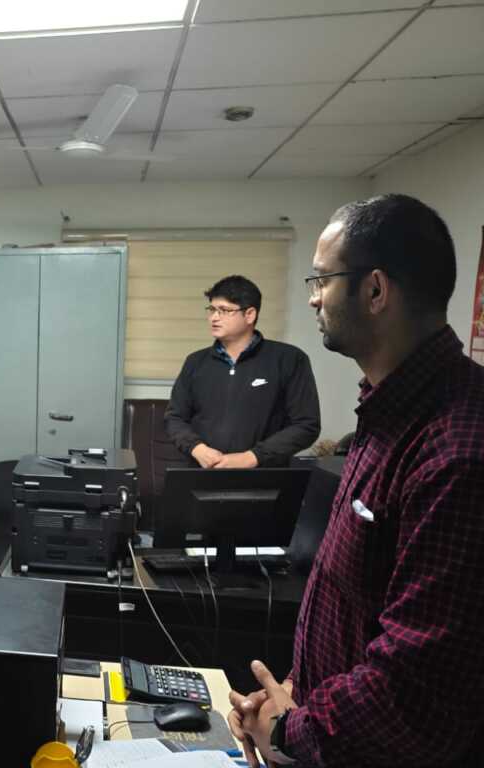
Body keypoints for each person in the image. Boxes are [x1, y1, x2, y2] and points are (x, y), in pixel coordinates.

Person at [228, 194, 484, 768]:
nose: (313, 297)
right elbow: (353, 602)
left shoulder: (458, 452)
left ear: (374, 290)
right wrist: (287, 698)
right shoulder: (386, 412)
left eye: (322, 279)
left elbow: (413, 690)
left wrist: (288, 730)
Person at [165, 275, 321, 468]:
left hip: (264, 478)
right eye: (212, 309)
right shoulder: (195, 362)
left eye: (224, 310)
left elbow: (306, 425)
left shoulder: (289, 359)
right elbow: (175, 418)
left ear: (249, 315)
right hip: (203, 474)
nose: (214, 317)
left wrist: (252, 457)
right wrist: (197, 449)